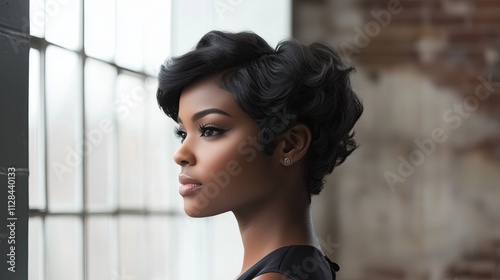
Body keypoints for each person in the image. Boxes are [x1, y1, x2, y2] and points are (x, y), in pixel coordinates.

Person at [157, 30, 363, 280]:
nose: (180, 154)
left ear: (290, 144)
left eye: (210, 130)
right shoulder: (306, 264)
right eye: (182, 133)